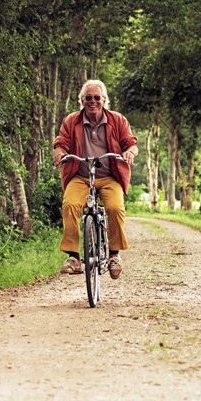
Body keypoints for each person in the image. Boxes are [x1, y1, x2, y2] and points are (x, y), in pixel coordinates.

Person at [53, 79, 139, 279]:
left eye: (97, 98)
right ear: (82, 101)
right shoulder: (71, 121)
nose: (93, 101)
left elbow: (131, 143)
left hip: (110, 176)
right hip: (80, 175)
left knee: (115, 208)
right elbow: (61, 142)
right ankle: (74, 258)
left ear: (104, 100)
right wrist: (59, 153)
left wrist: (129, 153)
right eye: (88, 98)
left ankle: (114, 255)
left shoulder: (117, 120)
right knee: (70, 205)